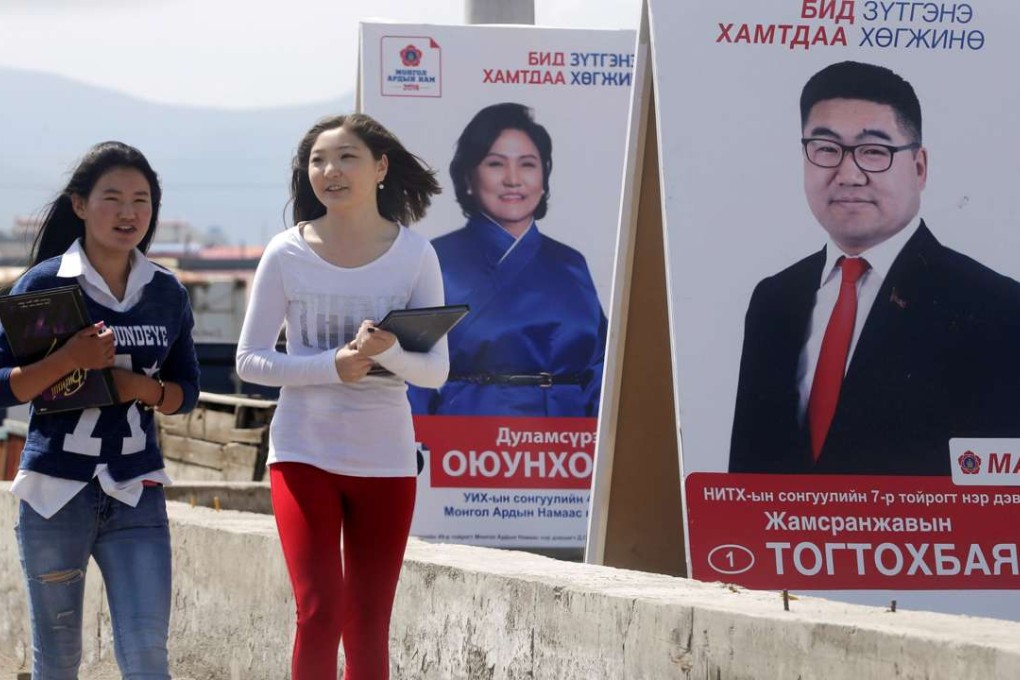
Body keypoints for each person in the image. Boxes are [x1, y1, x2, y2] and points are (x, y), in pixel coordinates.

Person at [728, 60, 1020, 476]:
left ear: (919, 168)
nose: (848, 174)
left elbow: (1000, 500)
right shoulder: (774, 298)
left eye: (873, 151)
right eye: (826, 148)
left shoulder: (996, 307)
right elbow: (747, 478)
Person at [235, 113, 446, 680]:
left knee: (369, 622)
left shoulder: (415, 254)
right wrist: (335, 365)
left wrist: (385, 354)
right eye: (317, 161)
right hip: (304, 452)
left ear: (380, 167)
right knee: (320, 611)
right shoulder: (285, 252)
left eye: (346, 157)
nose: (330, 171)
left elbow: (435, 372)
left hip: (387, 458)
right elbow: (250, 360)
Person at [2, 141, 201, 678]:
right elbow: (5, 387)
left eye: (141, 200)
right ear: (80, 205)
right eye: (112, 198)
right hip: (54, 494)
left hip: (137, 491)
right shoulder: (44, 286)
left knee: (147, 656)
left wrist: (143, 388)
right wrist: (70, 358)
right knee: (59, 659)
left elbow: (188, 391)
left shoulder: (165, 292)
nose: (129, 212)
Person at [407, 102, 607, 418]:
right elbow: (412, 374)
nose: (513, 179)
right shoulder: (436, 259)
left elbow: (601, 367)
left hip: (569, 447)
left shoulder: (571, 264)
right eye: (495, 164)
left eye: (528, 164)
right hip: (468, 446)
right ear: (468, 178)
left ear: (544, 177)